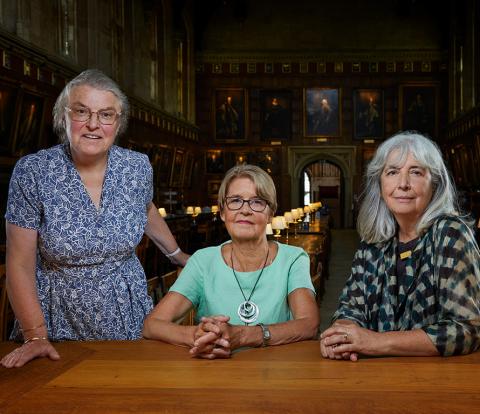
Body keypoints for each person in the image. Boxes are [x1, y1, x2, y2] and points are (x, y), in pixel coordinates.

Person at [1, 69, 188, 368]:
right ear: (63, 116)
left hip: (129, 315)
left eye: (105, 115)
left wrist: (177, 254)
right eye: (81, 112)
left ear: (118, 122)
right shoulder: (33, 172)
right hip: (55, 320)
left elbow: (145, 207)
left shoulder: (137, 167)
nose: (93, 124)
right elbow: (19, 263)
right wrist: (35, 336)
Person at [320, 131, 480, 361]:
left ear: (434, 184)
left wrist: (375, 342)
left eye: (415, 172)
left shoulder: (450, 233)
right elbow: (351, 306)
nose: (403, 184)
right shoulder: (374, 240)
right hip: (376, 378)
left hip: (435, 380)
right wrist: (341, 334)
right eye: (393, 172)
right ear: (380, 182)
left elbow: (467, 329)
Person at [143, 164, 319, 359]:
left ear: (271, 213)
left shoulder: (293, 259)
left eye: (257, 201)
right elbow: (152, 325)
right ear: (223, 212)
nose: (245, 210)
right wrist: (197, 335)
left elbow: (309, 324)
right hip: (215, 376)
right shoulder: (203, 261)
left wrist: (244, 335)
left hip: (274, 375)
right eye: (235, 201)